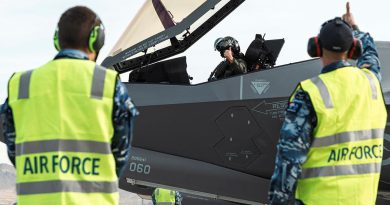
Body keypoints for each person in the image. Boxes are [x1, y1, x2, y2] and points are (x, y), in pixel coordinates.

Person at [0, 6, 138, 205]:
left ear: (57, 40)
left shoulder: (22, 84)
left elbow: (12, 146)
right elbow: (121, 150)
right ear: (96, 40)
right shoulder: (107, 84)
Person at [268, 2, 386, 205]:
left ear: (316, 47)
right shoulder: (372, 83)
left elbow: (289, 158)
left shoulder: (310, 93)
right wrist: (355, 28)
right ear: (353, 50)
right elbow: (371, 55)